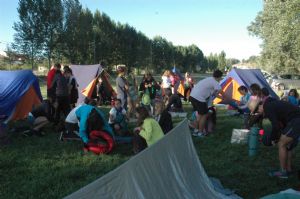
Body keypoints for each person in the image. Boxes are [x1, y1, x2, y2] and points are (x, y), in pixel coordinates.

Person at [257, 98, 300, 178]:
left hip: (296, 121)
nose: (258, 112)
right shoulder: (274, 105)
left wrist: (273, 139)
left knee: (281, 144)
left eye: (257, 110)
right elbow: (282, 123)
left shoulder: (268, 107)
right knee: (288, 144)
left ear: (261, 106)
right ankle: (288, 169)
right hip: (295, 120)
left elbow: (275, 126)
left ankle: (283, 172)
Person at [189, 69, 225, 137]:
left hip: (192, 96)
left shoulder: (209, 79)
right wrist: (227, 97)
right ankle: (200, 132)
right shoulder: (215, 82)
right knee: (204, 115)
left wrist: (222, 98)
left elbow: (214, 93)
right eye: (221, 77)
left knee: (199, 115)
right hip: (199, 98)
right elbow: (221, 92)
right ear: (219, 77)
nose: (220, 79)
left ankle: (195, 131)